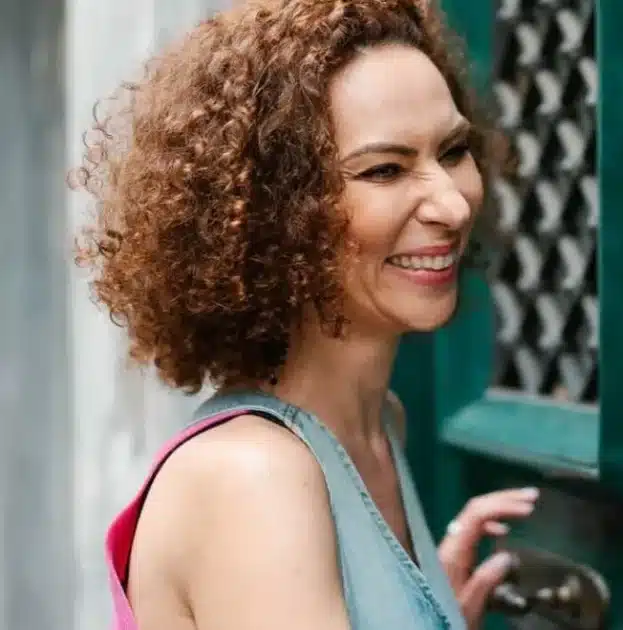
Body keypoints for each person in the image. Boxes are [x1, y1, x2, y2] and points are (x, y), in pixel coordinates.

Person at [73, 1, 534, 628]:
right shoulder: (254, 481)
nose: (452, 205)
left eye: (453, 151)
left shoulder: (380, 426)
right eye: (385, 169)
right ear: (276, 211)